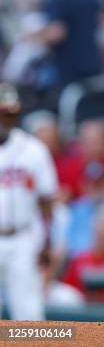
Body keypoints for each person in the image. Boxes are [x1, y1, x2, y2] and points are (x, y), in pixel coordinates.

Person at [0, 83, 58, 320]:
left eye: (10, 113)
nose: (6, 119)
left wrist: (47, 241)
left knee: (29, 316)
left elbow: (47, 200)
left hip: (22, 238)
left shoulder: (33, 150)